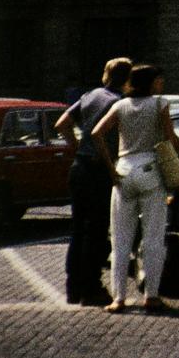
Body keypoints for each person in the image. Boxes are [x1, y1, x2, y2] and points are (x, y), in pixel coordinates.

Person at [91, 64, 179, 313]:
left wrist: (111, 168)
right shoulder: (160, 104)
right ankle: (151, 295)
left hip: (123, 170)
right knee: (153, 238)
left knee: (120, 238)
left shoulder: (120, 105)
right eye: (159, 80)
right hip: (150, 171)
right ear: (152, 82)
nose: (162, 83)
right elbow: (169, 136)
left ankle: (119, 299)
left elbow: (96, 133)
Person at [55, 56, 132, 305]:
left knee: (78, 229)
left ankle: (73, 288)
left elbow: (62, 124)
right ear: (127, 79)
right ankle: (91, 288)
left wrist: (78, 147)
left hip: (79, 167)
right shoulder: (119, 103)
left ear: (106, 75)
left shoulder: (90, 96)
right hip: (101, 169)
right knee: (97, 231)